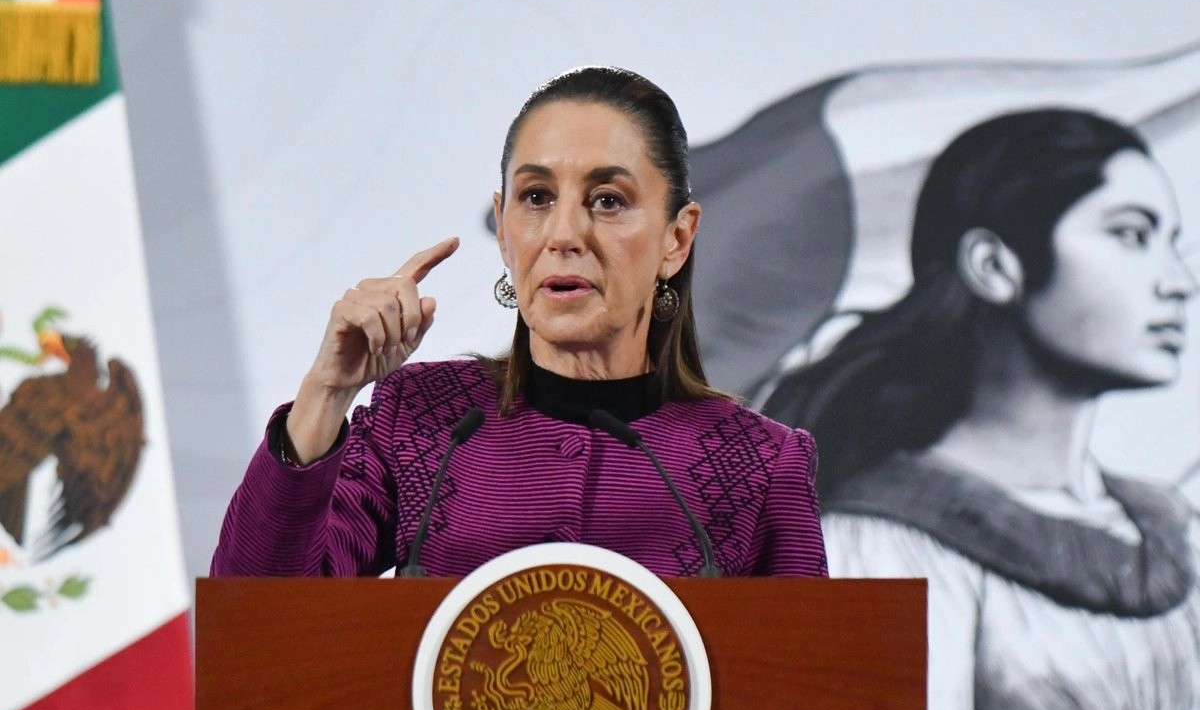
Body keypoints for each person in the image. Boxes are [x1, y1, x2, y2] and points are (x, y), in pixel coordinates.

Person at [211, 66, 828, 580]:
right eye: (536, 198)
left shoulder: (763, 463)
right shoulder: (421, 420)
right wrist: (327, 392)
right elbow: (256, 618)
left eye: (608, 200)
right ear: (505, 230)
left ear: (676, 238)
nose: (564, 234)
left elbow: (819, 703)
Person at [761, 108, 1200, 710]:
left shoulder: (1178, 531)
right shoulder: (875, 551)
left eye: (1172, 244)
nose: (1179, 283)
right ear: (995, 266)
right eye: (1131, 235)